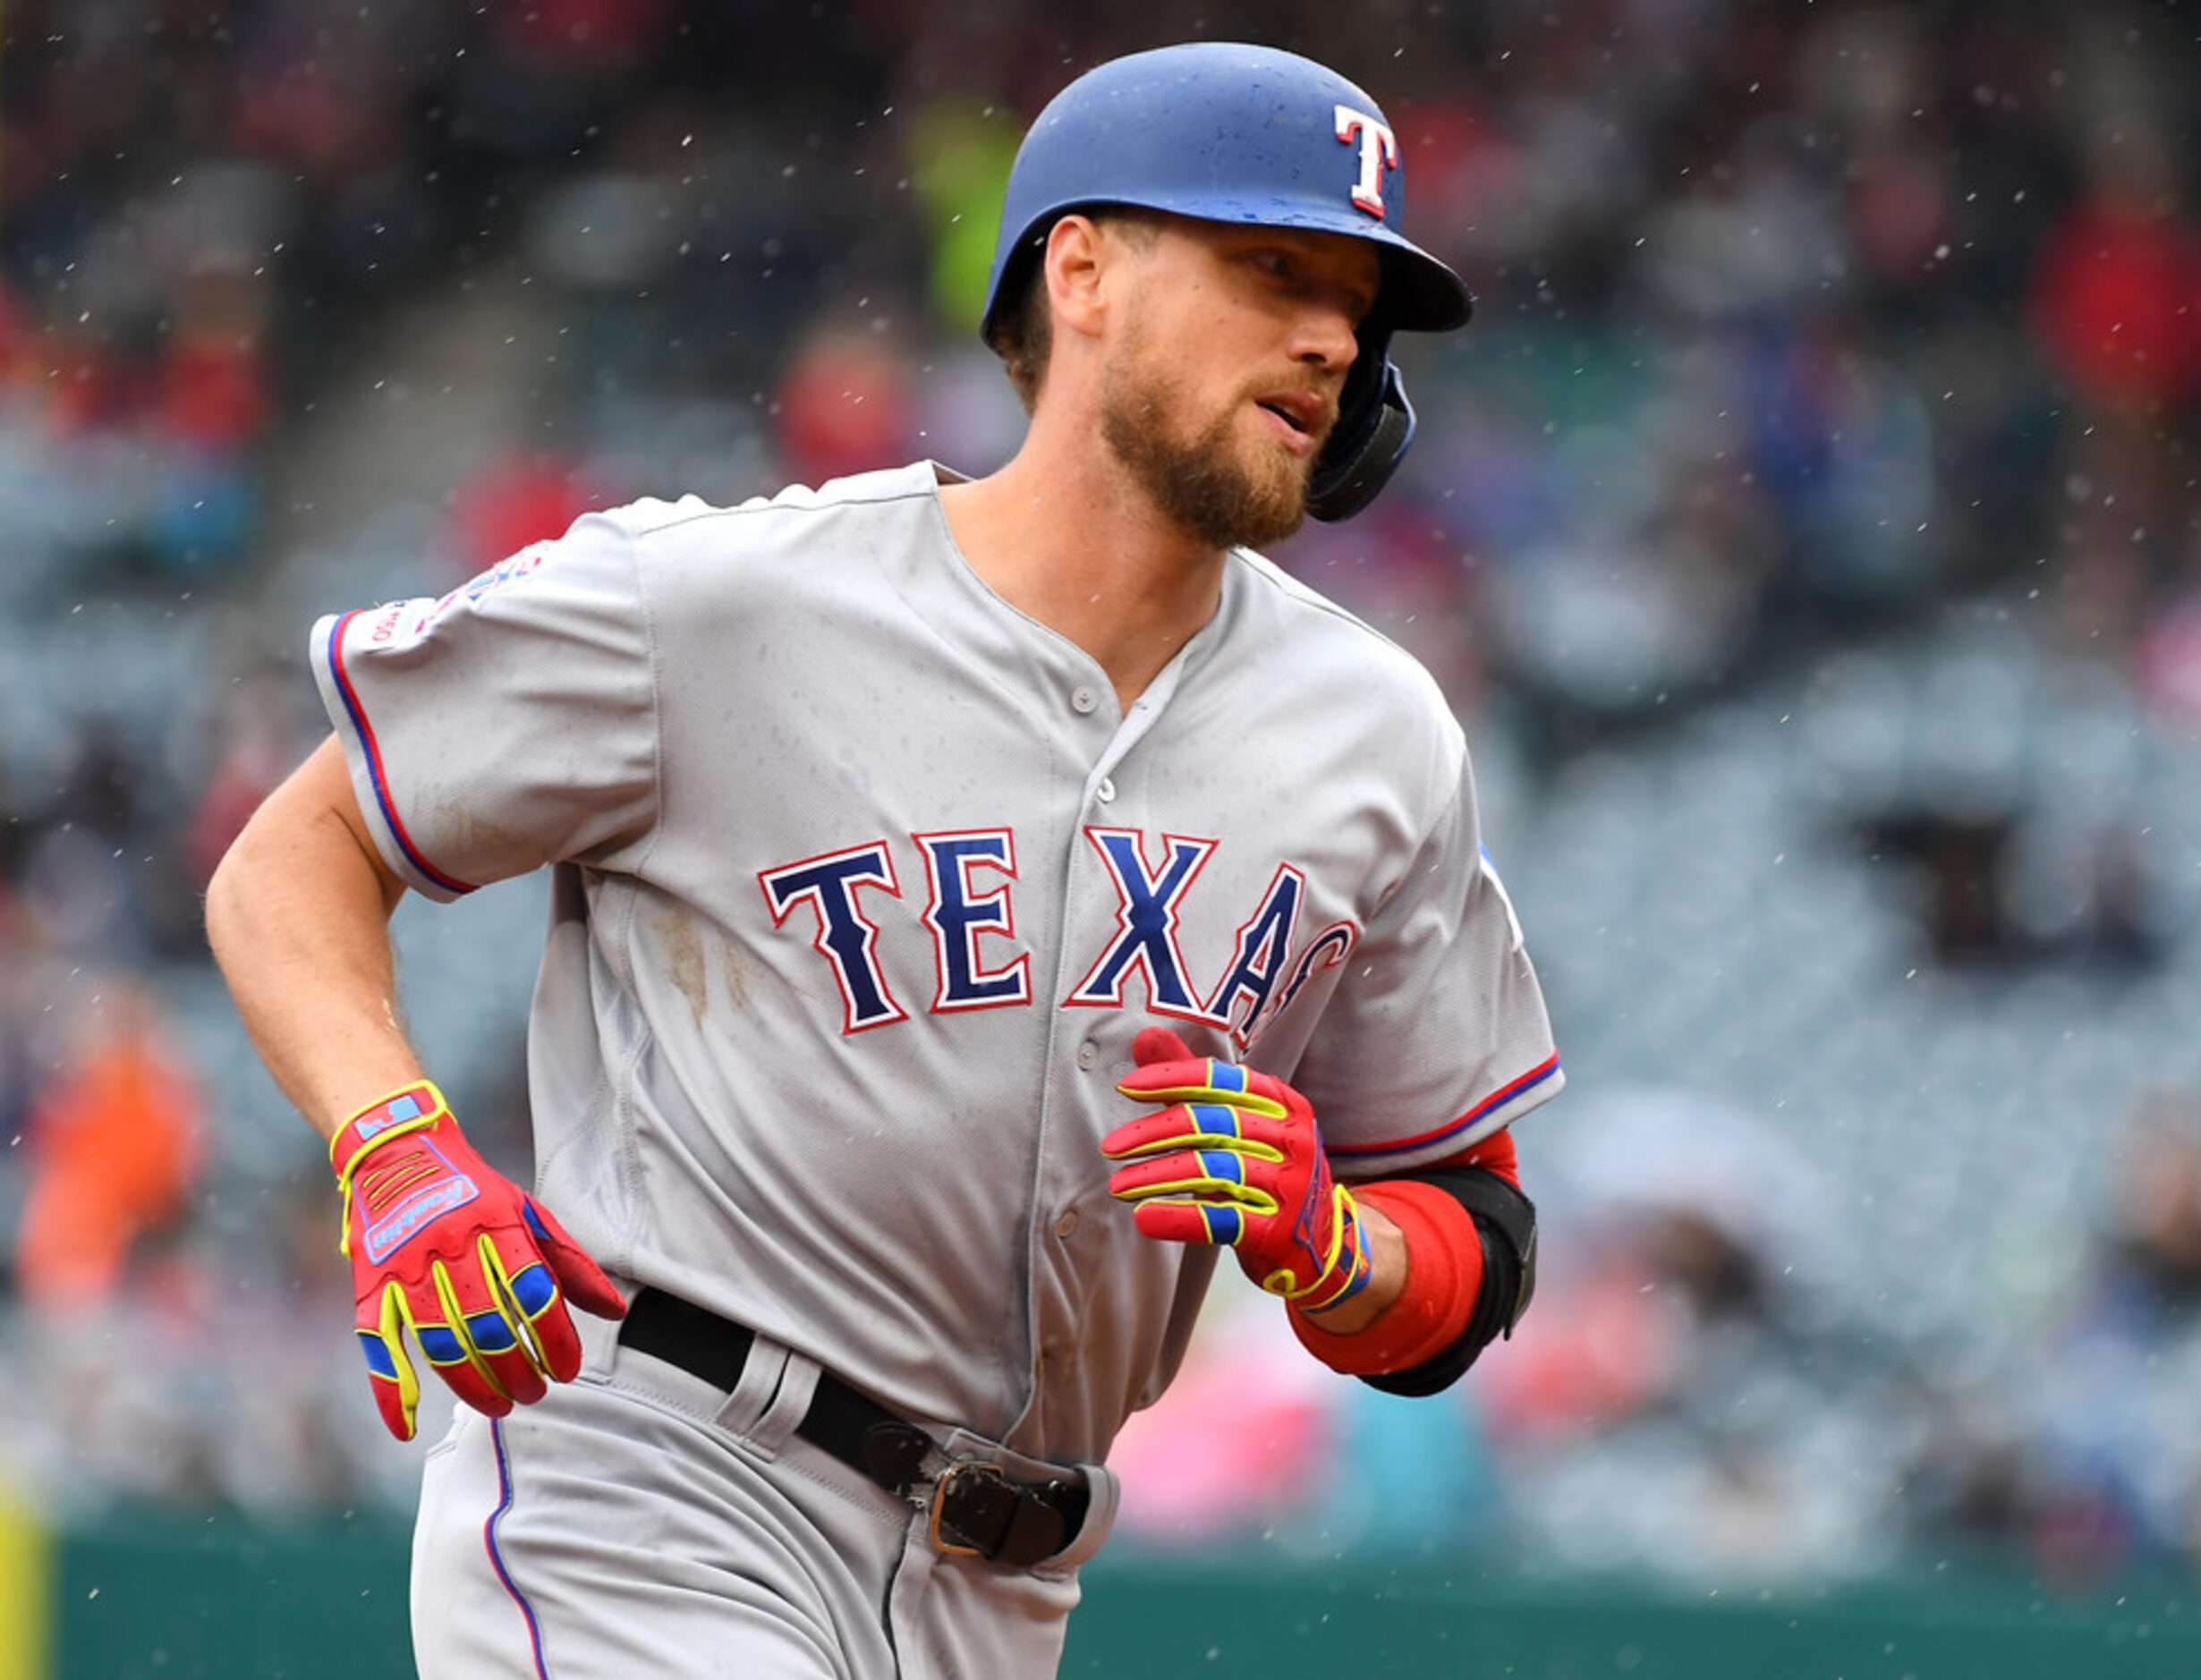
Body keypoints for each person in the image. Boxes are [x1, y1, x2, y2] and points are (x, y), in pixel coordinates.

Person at [205, 41, 1562, 1679]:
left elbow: (1474, 1234)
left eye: (1359, 302)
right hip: (656, 1489)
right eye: (1271, 265)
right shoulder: (720, 603)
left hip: (1002, 1588)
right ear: (1084, 270)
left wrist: (1337, 1246)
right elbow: (300, 850)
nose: (1333, 335)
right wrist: (396, 1149)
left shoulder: (1374, 733)